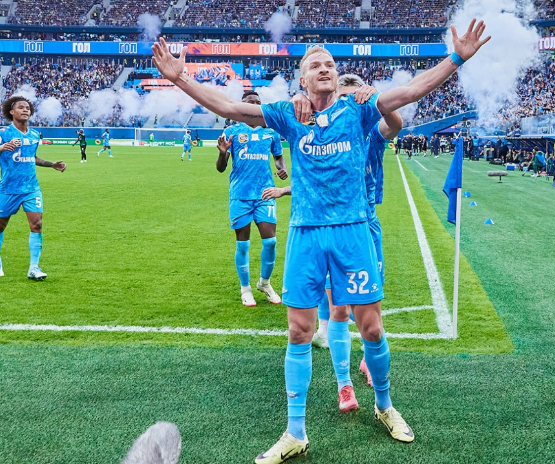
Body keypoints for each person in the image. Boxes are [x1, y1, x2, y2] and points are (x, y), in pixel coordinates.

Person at [152, 19, 490, 463]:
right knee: (299, 330)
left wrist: (457, 57)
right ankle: (295, 432)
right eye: (315, 65)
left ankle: (385, 406)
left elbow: (410, 92)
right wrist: (180, 79)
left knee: (372, 327)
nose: (325, 68)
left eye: (330, 63)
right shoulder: (288, 114)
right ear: (303, 80)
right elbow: (232, 108)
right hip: (306, 234)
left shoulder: (358, 110)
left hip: (352, 231)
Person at [292, 73, 403, 412]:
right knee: (338, 309)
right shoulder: (324, 130)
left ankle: (370, 361)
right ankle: (344, 386)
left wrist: (379, 100)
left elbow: (394, 125)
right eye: (345, 97)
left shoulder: (371, 131)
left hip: (365, 228)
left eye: (357, 97)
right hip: (332, 228)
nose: (351, 103)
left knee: (371, 316)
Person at [216, 91, 288, 307]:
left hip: (265, 193)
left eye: (258, 103)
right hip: (240, 195)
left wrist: (282, 169)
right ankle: (245, 288)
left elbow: (278, 157)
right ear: (242, 105)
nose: (254, 106)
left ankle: (264, 283)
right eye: (250, 102)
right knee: (243, 245)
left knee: (271, 242)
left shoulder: (271, 132)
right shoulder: (232, 132)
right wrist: (222, 153)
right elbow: (221, 168)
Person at [0, 96, 66, 280]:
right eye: (21, 107)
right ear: (11, 112)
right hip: (8, 188)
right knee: (1, 226)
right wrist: (3, 147)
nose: (25, 110)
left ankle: (34, 268)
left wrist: (52, 164)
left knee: (37, 225)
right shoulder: (4, 132)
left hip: (31, 188)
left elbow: (32, 157)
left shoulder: (35, 135)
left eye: (27, 108)